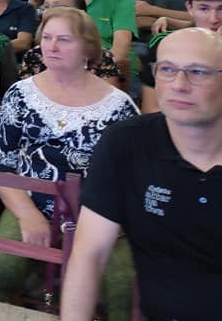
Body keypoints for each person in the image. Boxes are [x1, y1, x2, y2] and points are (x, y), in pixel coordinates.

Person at [0, 8, 137, 319]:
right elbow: (0, 163)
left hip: (98, 214)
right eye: (47, 38)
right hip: (32, 201)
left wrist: (114, 221)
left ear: (88, 48)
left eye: (64, 39)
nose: (52, 46)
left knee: (122, 287)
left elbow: (132, 175)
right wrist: (27, 215)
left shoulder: (118, 106)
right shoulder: (20, 95)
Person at [60, 28, 222, 321]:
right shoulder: (126, 143)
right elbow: (89, 255)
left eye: (198, 72)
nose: (179, 84)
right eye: (167, 70)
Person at [19, 0, 121, 88]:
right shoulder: (33, 55)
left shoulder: (101, 56)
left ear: (80, 12)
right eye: (46, 7)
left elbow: (108, 96)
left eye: (57, 7)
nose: (49, 12)